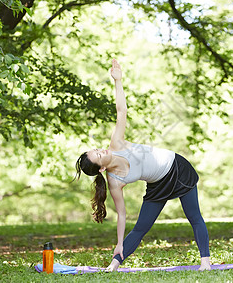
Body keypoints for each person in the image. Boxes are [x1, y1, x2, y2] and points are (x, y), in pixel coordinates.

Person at [75, 59, 211, 271]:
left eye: (97, 149)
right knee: (140, 228)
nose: (102, 150)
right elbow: (122, 214)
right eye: (99, 156)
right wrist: (119, 243)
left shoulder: (116, 143)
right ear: (101, 168)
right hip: (157, 185)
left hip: (176, 167)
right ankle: (114, 265)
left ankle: (206, 263)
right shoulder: (114, 182)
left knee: (194, 216)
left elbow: (121, 111)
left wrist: (117, 81)